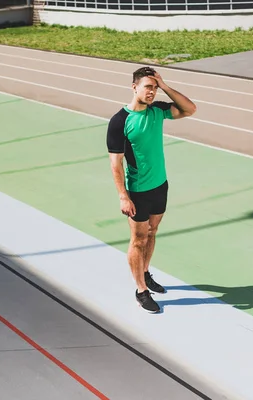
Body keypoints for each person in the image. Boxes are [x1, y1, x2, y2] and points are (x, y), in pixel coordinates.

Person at [106, 66, 197, 313]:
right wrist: (123, 196)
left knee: (153, 231)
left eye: (154, 88)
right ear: (134, 87)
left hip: (160, 185)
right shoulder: (120, 121)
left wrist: (165, 85)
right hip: (137, 191)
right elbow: (116, 162)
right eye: (148, 87)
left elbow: (190, 109)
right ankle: (141, 291)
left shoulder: (158, 111)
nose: (152, 92)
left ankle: (145, 273)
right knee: (138, 239)